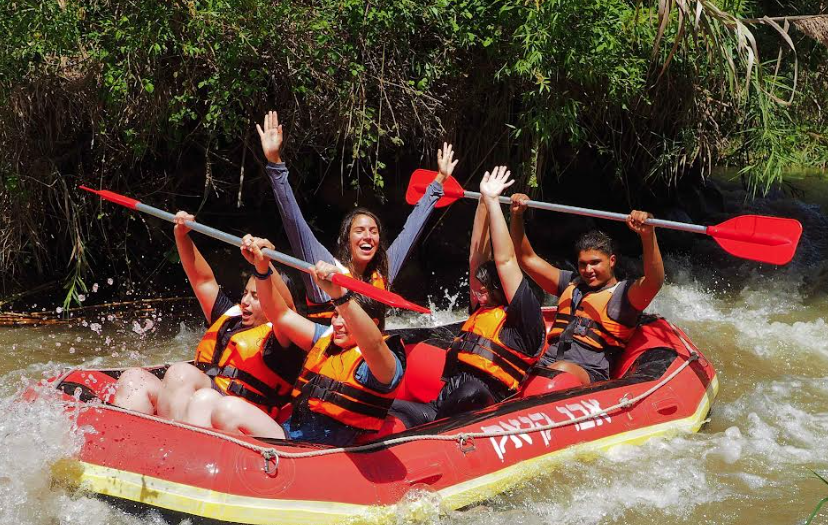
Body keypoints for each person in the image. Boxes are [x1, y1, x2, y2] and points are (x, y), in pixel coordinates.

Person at [199, 237, 406, 446]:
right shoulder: (326, 338)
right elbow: (280, 315)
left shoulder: (385, 365)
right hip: (288, 436)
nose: (337, 323)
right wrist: (262, 269)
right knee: (207, 400)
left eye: (345, 316)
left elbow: (373, 344)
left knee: (228, 411)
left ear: (373, 322)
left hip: (316, 451)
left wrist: (341, 298)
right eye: (335, 315)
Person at [257, 110, 457, 321]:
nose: (368, 237)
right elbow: (294, 223)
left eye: (373, 232)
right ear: (347, 240)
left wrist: (438, 182)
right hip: (332, 351)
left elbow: (411, 231)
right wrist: (275, 162)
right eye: (359, 231)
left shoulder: (383, 271)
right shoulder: (325, 268)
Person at [111, 212, 304, 425]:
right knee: (134, 379)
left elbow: (288, 309)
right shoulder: (231, 318)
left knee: (182, 375)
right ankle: (118, 446)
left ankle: (175, 445)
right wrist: (182, 236)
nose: (246, 301)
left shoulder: (287, 336)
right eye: (246, 293)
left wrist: (264, 263)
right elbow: (203, 281)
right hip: (198, 404)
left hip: (234, 415)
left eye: (257, 297)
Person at [392, 166, 546, 426]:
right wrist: (484, 201)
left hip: (483, 408)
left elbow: (506, 260)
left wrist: (496, 202)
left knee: (471, 391)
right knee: (384, 405)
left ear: (503, 289)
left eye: (486, 292)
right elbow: (476, 256)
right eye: (479, 291)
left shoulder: (524, 321)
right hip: (442, 407)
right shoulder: (485, 307)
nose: (479, 296)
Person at [512, 193, 664, 385]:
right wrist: (517, 215)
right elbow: (526, 258)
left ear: (612, 261)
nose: (588, 270)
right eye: (583, 264)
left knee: (556, 375)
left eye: (595, 263)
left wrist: (647, 235)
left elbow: (654, 281)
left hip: (589, 373)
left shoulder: (624, 296)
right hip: (548, 365)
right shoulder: (570, 282)